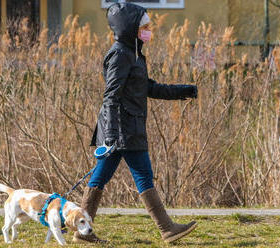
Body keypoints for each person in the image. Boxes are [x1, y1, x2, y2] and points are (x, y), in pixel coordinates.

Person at [75, 2, 198, 244]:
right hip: (123, 129)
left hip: (126, 127)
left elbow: (148, 87)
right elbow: (111, 95)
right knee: (143, 174)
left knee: (99, 178)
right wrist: (111, 134)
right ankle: (167, 228)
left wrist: (182, 90)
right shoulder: (121, 54)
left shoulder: (133, 53)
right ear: (131, 28)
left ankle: (82, 232)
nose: (149, 29)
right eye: (145, 26)